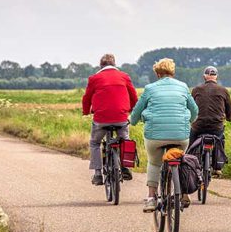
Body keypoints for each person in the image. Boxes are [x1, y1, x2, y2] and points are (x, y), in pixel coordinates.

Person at [130, 58, 198, 212]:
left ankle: (152, 198)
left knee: (154, 162)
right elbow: (195, 111)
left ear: (157, 73)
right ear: (172, 72)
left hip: (155, 137)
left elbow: (136, 112)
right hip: (180, 135)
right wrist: (188, 120)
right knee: (180, 159)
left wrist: (133, 121)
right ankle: (183, 193)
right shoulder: (183, 87)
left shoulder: (149, 88)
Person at [82, 54, 138, 186]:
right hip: (121, 118)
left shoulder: (94, 78)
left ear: (100, 65)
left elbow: (87, 97)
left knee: (95, 143)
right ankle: (126, 167)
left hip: (101, 119)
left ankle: (97, 174)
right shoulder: (124, 76)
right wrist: (133, 109)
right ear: (114, 64)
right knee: (125, 140)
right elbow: (133, 96)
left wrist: (85, 111)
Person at [189, 66, 231, 146]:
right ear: (216, 77)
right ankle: (221, 157)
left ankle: (190, 156)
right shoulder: (223, 90)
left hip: (198, 126)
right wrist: (229, 118)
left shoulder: (196, 90)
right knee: (220, 143)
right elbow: (229, 109)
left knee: (190, 146)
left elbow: (190, 108)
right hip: (216, 127)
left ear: (204, 76)